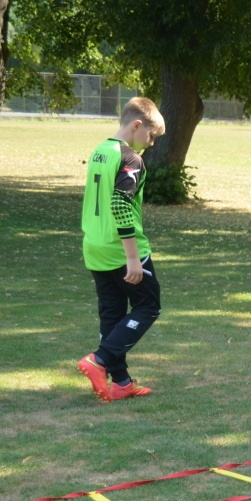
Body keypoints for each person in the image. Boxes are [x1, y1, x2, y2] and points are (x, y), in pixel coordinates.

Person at [77, 97, 165, 402]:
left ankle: (122, 381)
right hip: (121, 249)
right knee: (149, 306)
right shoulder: (131, 159)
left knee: (112, 313)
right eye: (151, 135)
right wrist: (132, 258)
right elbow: (119, 203)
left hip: (95, 246)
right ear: (137, 125)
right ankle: (99, 360)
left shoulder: (100, 150)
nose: (151, 143)